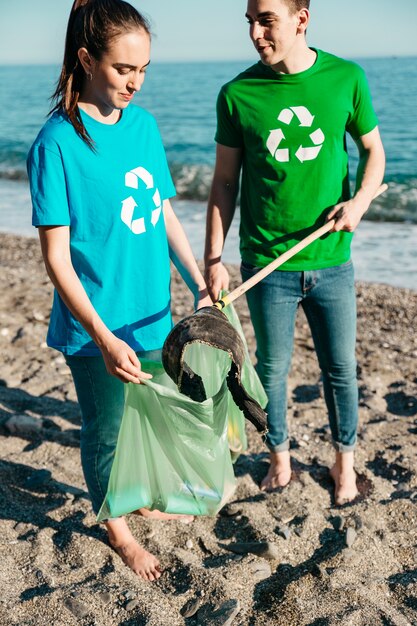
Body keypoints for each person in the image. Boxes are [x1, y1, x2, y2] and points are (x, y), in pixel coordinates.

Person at [27, 0, 212, 582]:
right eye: (122, 69)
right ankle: (117, 528)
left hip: (151, 312)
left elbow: (162, 213)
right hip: (95, 326)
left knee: (148, 417)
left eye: (144, 70)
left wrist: (200, 281)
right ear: (86, 59)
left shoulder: (145, 126)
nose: (134, 82)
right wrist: (103, 337)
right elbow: (57, 259)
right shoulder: (55, 143)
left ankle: (143, 496)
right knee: (105, 431)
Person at [204, 0, 385, 505]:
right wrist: (213, 260)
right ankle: (279, 455)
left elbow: (375, 152)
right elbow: (223, 183)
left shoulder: (345, 78)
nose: (256, 33)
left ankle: (344, 462)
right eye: (250, 22)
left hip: (332, 260)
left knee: (341, 369)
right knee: (271, 369)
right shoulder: (237, 94)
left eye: (267, 20)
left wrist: (360, 202)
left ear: (301, 20)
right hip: (265, 265)